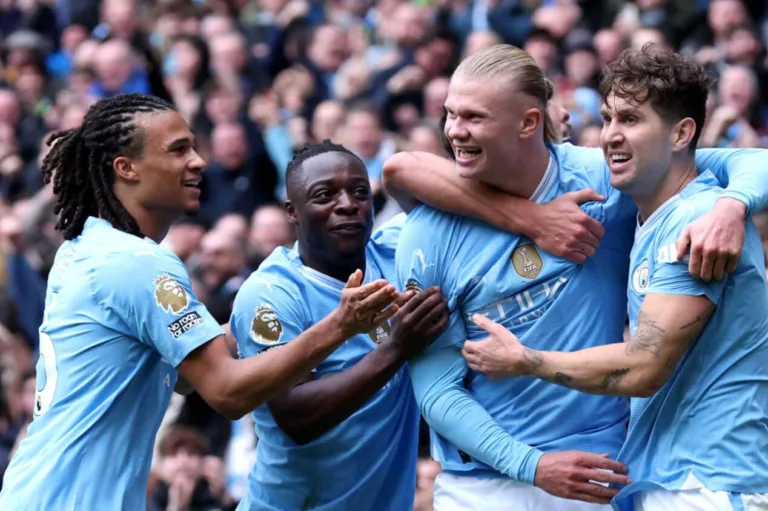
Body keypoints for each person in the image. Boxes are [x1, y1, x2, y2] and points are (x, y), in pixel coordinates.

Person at [384, 44, 768, 510]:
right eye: (450, 114)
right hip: (485, 484)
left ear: (528, 122)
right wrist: (530, 465)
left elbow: (747, 162)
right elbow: (435, 385)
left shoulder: (613, 184)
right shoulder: (427, 232)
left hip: (608, 476)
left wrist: (734, 203)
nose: (454, 131)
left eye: (474, 117)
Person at [0, 95, 401, 510]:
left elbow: (184, 374)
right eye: (178, 150)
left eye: (193, 146)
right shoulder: (138, 263)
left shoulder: (85, 247)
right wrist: (339, 325)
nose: (198, 161)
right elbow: (227, 392)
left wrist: (278, 317)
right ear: (126, 167)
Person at [229, 140, 449, 510]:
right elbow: (295, 416)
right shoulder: (270, 294)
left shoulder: (398, 251)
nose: (348, 204)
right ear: (292, 211)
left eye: (360, 192)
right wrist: (396, 349)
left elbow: (462, 186)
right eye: (325, 195)